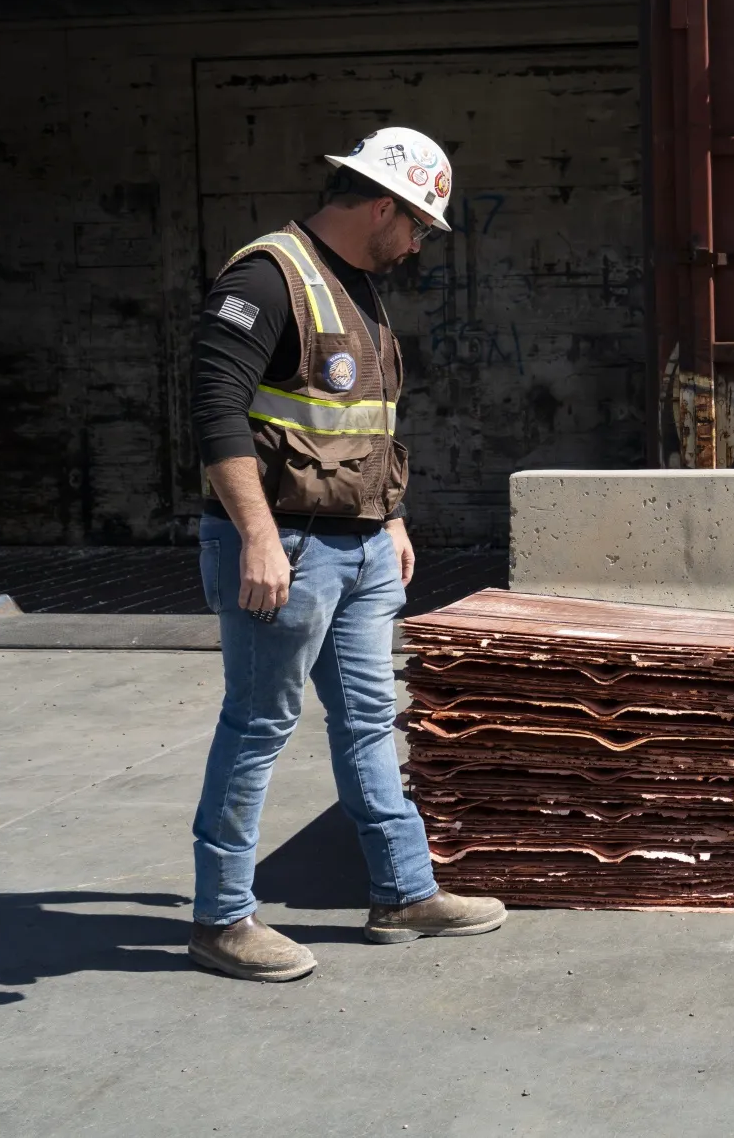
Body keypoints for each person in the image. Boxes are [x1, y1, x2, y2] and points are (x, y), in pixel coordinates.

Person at [185, 126, 504, 982]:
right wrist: (255, 536)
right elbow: (215, 410)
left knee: (368, 719)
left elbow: (366, 424)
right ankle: (221, 918)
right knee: (257, 725)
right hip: (283, 546)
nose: (419, 245)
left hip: (361, 546)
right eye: (418, 227)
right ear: (381, 206)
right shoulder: (266, 275)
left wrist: (390, 516)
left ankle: (404, 892)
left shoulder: (356, 285)